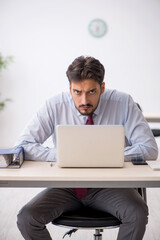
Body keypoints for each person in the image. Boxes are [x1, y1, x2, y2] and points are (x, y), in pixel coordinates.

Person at [16, 56, 158, 240]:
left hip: (109, 186)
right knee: (27, 218)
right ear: (70, 89)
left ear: (102, 88)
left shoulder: (123, 103)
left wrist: (108, 156)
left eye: (91, 91)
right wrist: (62, 155)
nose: (84, 100)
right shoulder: (54, 105)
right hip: (66, 187)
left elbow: (149, 148)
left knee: (137, 213)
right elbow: (23, 145)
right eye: (77, 92)